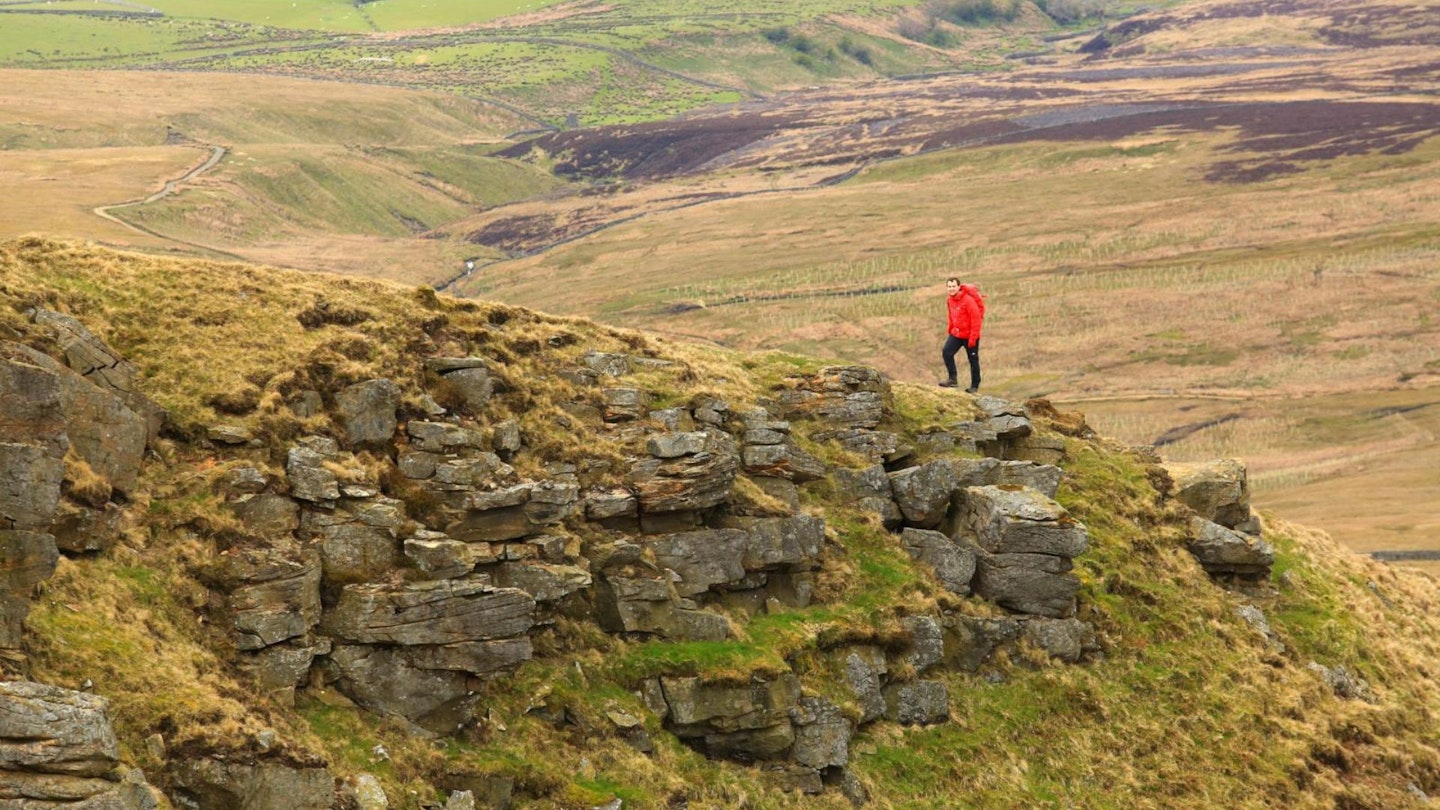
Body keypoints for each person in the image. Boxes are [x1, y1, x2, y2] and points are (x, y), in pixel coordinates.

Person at [939, 277, 984, 393]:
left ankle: (974, 386)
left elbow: (976, 319)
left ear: (959, 287)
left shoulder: (968, 300)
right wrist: (950, 329)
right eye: (949, 287)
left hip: (970, 336)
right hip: (957, 333)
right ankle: (952, 379)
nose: (951, 289)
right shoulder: (949, 300)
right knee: (946, 352)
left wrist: (973, 338)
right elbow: (951, 315)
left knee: (973, 360)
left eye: (953, 286)